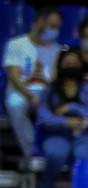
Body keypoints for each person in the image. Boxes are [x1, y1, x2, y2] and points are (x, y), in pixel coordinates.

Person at [5, 7, 62, 172]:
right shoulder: (16, 44)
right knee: (15, 104)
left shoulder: (57, 50)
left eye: (57, 27)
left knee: (58, 105)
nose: (54, 31)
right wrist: (30, 95)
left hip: (46, 93)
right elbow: (14, 76)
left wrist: (43, 96)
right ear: (39, 22)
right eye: (52, 26)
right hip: (21, 91)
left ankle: (56, 154)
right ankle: (32, 153)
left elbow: (54, 78)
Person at [36, 49, 88, 188]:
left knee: (83, 155)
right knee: (56, 153)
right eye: (67, 63)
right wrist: (66, 122)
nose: (71, 66)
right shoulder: (49, 90)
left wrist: (72, 107)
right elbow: (44, 118)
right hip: (56, 134)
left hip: (84, 135)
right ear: (60, 65)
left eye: (74, 63)